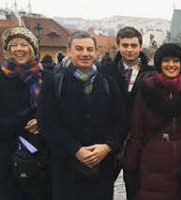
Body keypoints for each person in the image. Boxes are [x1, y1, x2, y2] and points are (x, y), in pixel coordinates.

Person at [38, 30, 127, 200]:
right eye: (79, 49)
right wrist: (75, 150)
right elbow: (47, 123)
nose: (85, 54)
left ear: (96, 52)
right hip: (65, 167)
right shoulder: (54, 81)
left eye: (89, 49)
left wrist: (108, 146)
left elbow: (121, 120)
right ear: (69, 51)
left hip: (101, 167)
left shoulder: (108, 80)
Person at [124, 43, 181, 200]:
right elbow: (137, 132)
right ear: (159, 64)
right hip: (151, 162)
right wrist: (130, 166)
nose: (171, 65)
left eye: (176, 61)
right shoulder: (146, 91)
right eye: (166, 61)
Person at [98, 26, 154, 200]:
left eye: (133, 45)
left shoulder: (150, 73)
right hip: (111, 138)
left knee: (135, 187)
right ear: (118, 46)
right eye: (125, 45)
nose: (129, 50)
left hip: (138, 139)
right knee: (103, 186)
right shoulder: (106, 71)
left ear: (140, 47)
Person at [0, 26, 50, 200]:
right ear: (7, 50)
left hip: (41, 153)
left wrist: (41, 120)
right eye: (14, 45)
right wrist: (23, 122)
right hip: (8, 152)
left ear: (33, 48)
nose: (19, 49)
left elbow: (56, 111)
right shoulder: (2, 77)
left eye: (24, 45)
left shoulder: (47, 77)